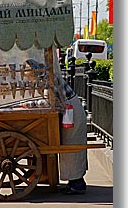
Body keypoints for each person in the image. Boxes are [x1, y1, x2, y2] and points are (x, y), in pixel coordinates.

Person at [24, 53, 88, 195]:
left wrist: (28, 104)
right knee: (70, 146)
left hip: (72, 112)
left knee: (72, 146)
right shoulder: (45, 77)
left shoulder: (48, 79)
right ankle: (74, 182)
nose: (28, 78)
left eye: (28, 74)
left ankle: (77, 184)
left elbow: (50, 102)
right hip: (69, 110)